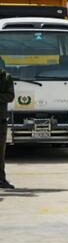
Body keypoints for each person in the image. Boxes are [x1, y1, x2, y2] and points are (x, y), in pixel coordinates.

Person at [0, 58, 14, 189]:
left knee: (1, 153)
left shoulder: (6, 78)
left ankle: (1, 180)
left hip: (1, 120)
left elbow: (10, 96)